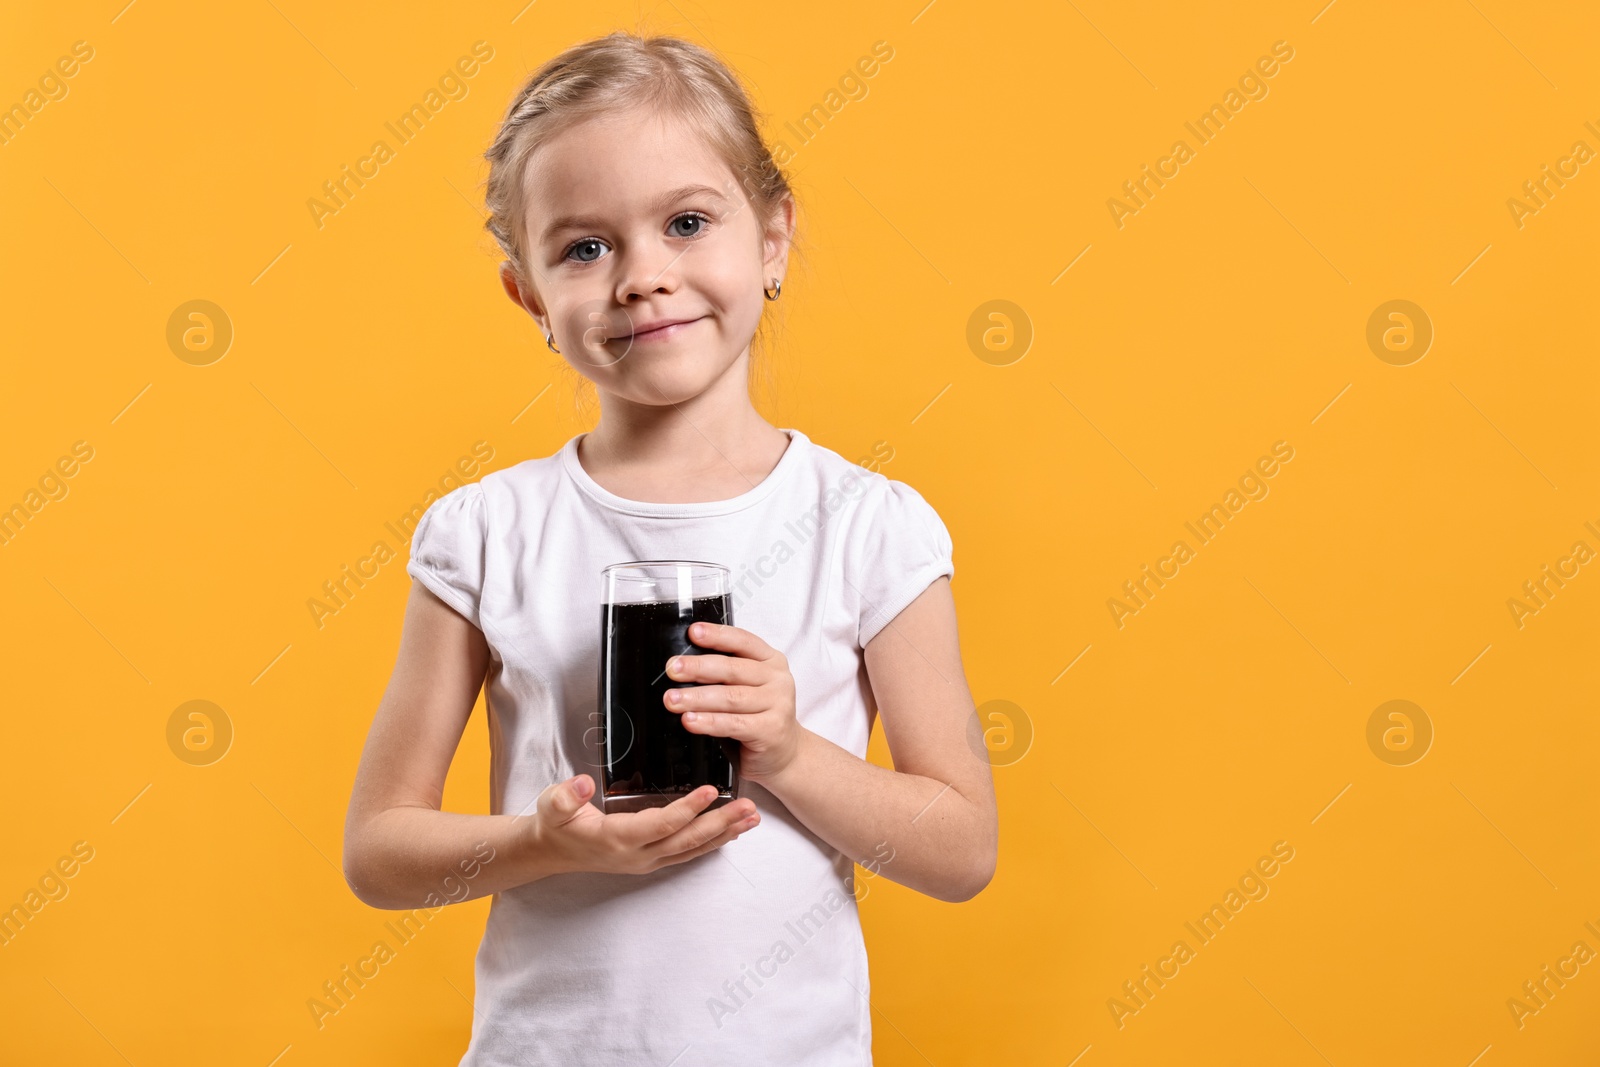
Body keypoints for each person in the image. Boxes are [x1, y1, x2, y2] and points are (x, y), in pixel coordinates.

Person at [342, 30, 997, 1066]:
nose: (643, 276)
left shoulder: (871, 525)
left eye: (686, 222)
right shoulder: (483, 533)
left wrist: (786, 750)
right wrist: (539, 842)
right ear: (529, 297)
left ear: (772, 239)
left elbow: (960, 849)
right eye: (583, 247)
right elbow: (379, 850)